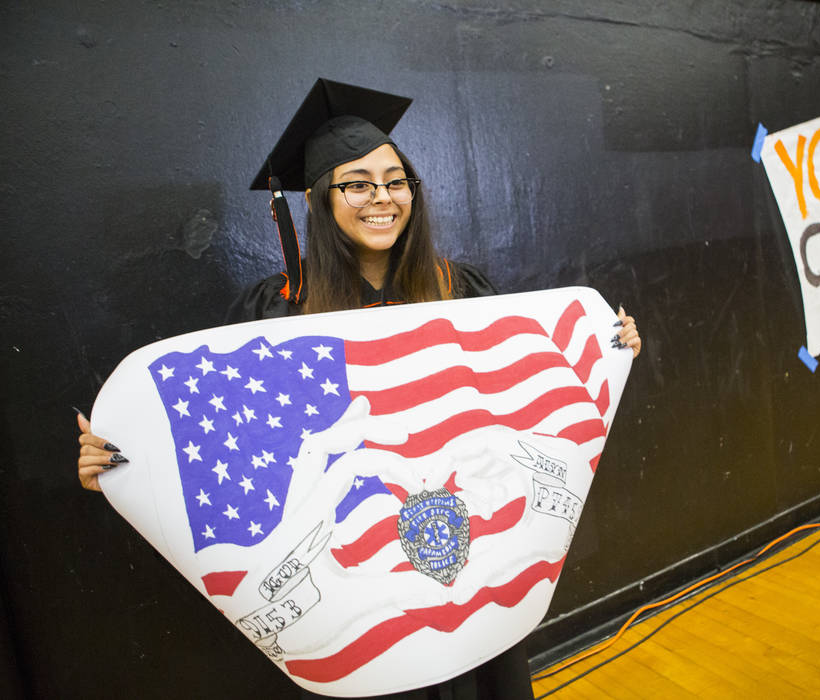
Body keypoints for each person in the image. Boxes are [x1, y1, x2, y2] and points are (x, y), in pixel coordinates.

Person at [77, 78, 641, 699]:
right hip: (362, 590)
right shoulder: (277, 314)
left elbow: (520, 404)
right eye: (356, 183)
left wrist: (610, 348)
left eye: (396, 181)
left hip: (473, 569)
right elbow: (223, 451)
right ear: (321, 199)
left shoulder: (459, 291)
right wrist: (124, 457)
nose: (382, 198)